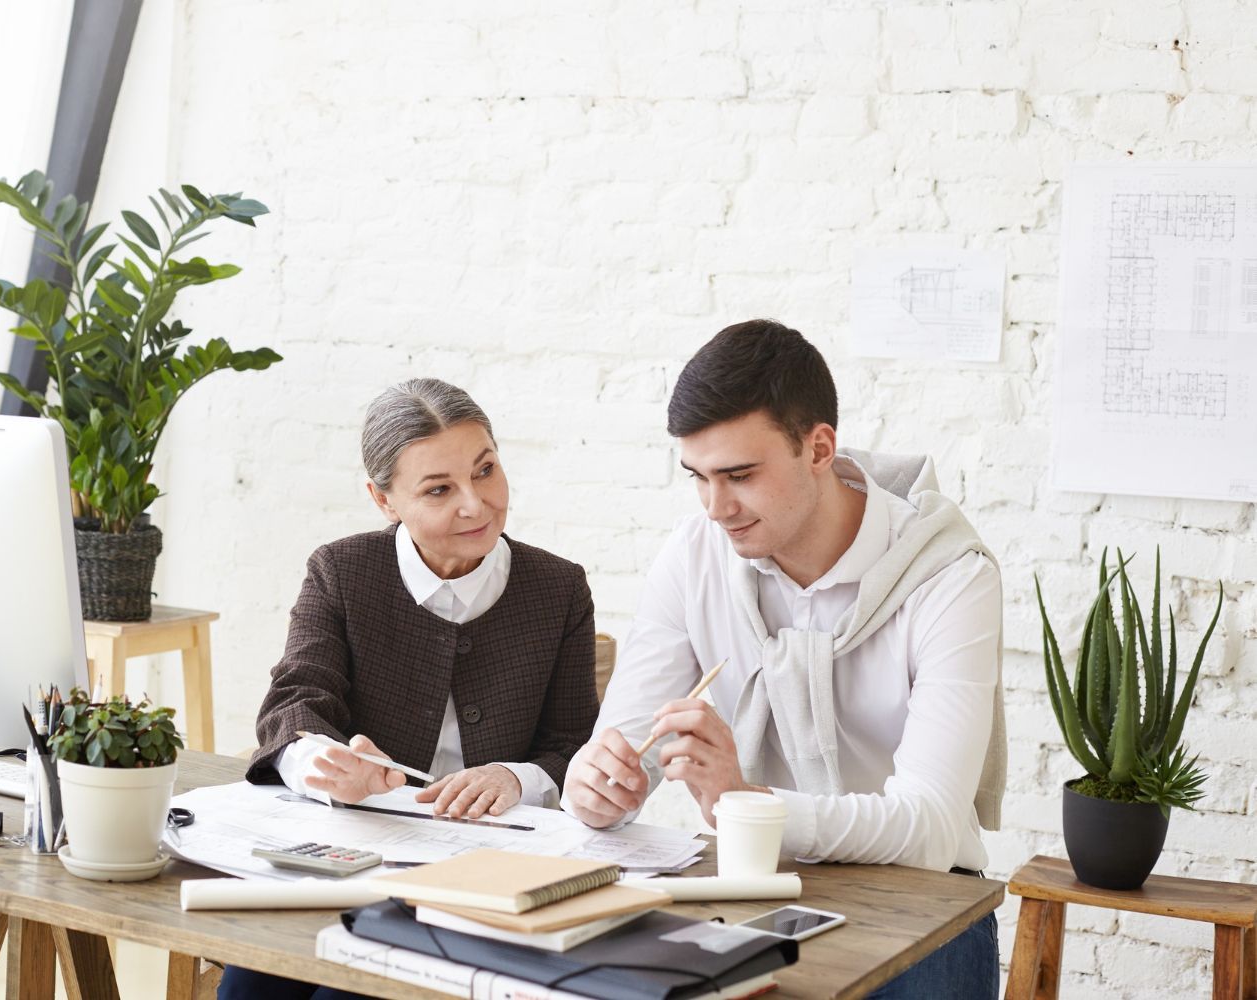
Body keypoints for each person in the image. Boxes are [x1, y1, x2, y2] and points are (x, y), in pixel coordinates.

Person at [562, 320, 1006, 999]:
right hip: (751, 891)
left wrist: (749, 804)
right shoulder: (694, 556)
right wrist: (596, 789)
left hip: (922, 904)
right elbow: (621, 758)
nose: (716, 508)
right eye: (698, 477)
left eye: (739, 475)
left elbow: (934, 828)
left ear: (818, 447)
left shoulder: (948, 577)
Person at [219, 377, 599, 1000]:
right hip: (352, 853)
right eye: (439, 489)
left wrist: (512, 778)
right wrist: (327, 761)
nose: (476, 505)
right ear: (383, 499)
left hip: (485, 875)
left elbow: (574, 743)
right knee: (251, 982)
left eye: (486, 470)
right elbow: (295, 701)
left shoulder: (558, 589)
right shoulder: (341, 572)